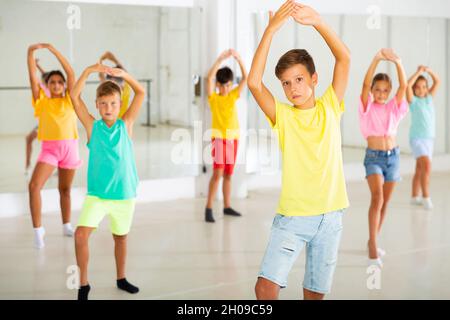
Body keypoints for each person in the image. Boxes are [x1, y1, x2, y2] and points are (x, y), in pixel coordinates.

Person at [248, 0, 350, 300]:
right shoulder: (283, 116)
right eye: (286, 83)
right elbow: (254, 83)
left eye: (300, 79)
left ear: (314, 79)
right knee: (265, 287)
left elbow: (343, 58)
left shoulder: (331, 106)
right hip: (294, 218)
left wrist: (318, 21)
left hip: (331, 218)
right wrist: (270, 31)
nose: (293, 87)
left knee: (314, 293)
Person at [71, 63, 145, 300]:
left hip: (124, 195)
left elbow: (141, 92)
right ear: (97, 105)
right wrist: (90, 70)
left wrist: (125, 75)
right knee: (81, 235)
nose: (108, 108)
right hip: (98, 196)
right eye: (103, 104)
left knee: (120, 238)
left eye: (113, 103)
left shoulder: (126, 125)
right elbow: (74, 96)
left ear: (120, 104)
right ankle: (83, 284)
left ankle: (121, 278)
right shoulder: (93, 126)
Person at [27, 43, 81, 249]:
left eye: (60, 82)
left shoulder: (70, 99)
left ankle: (67, 224)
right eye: (53, 82)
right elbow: (32, 76)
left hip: (70, 150)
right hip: (49, 150)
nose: (57, 84)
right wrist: (30, 52)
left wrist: (53, 51)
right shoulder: (41, 101)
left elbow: (70, 71)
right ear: (47, 85)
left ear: (65, 85)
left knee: (65, 190)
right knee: (34, 186)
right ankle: (38, 230)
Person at [359, 48, 408, 267]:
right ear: (373, 91)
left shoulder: (394, 108)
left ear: (388, 92)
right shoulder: (367, 107)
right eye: (377, 90)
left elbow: (404, 86)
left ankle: (373, 239)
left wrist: (398, 62)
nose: (380, 93)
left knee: (385, 202)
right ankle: (372, 248)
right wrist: (376, 58)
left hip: (394, 158)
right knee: (377, 198)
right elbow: (364, 85)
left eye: (384, 90)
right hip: (374, 157)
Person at [204, 49, 247, 223]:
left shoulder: (233, 95)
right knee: (217, 174)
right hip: (219, 140)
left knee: (229, 174)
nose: (224, 88)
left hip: (233, 140)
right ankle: (208, 208)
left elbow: (245, 78)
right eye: (221, 85)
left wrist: (238, 59)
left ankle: (227, 206)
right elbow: (209, 78)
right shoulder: (213, 98)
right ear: (217, 85)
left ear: (231, 84)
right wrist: (220, 59)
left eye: (227, 85)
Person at [407, 66, 440, 210]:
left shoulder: (428, 99)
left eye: (424, 87)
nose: (421, 90)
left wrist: (428, 71)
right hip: (417, 139)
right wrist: (419, 73)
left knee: (420, 169)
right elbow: (407, 85)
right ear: (414, 89)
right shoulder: (413, 102)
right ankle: (426, 197)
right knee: (426, 166)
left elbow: (437, 81)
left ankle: (414, 196)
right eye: (418, 87)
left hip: (429, 139)